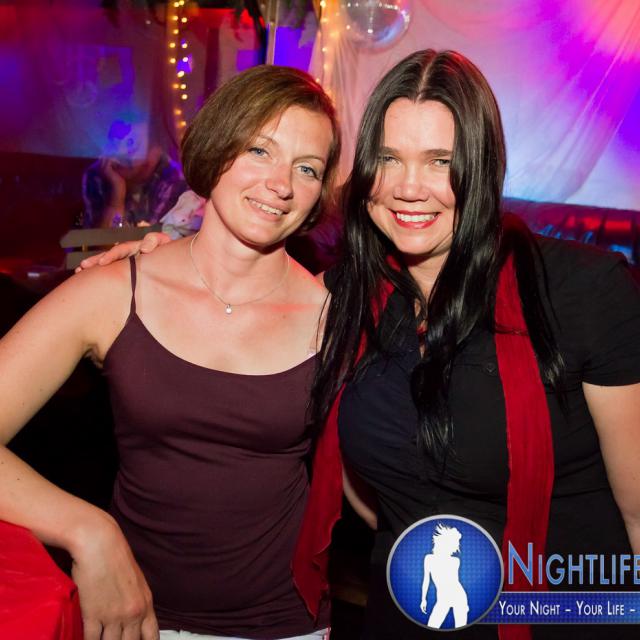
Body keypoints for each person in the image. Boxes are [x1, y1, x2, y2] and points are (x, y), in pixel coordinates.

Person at [79, 50, 640, 640]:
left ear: (482, 167)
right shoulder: (342, 299)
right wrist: (156, 254)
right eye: (389, 159)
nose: (408, 188)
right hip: (404, 614)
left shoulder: (582, 291)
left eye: (441, 161)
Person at [0, 64, 340, 640]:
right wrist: (88, 531)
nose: (281, 183)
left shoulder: (333, 318)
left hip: (283, 626)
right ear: (217, 149)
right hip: (128, 620)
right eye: (260, 150)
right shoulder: (114, 291)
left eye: (306, 168)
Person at [82, 119, 188, 229]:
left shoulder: (174, 179)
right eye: (114, 143)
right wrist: (116, 200)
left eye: (131, 143)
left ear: (154, 151)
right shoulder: (98, 175)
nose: (120, 154)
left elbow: (150, 237)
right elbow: (101, 238)